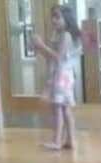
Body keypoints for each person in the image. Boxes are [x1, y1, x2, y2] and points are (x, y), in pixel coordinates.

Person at [33, 5, 81, 151]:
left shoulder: (65, 35)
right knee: (65, 108)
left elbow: (58, 58)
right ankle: (70, 140)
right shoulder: (58, 34)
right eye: (53, 16)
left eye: (57, 16)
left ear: (66, 18)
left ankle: (57, 140)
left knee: (57, 108)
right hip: (63, 74)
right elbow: (52, 56)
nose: (54, 20)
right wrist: (40, 48)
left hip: (62, 74)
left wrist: (41, 46)